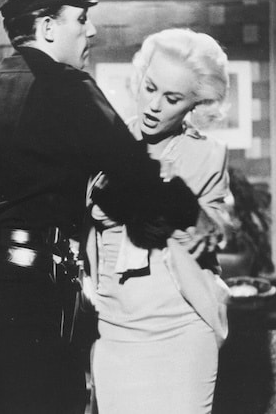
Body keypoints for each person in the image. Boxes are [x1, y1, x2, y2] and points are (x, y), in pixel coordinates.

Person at [0, 0, 220, 413]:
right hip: (29, 291)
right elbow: (133, 169)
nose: (92, 31)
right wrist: (194, 215)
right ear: (47, 27)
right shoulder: (65, 84)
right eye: (81, 19)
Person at [87, 28, 233, 414]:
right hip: (114, 330)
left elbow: (216, 232)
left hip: (182, 331)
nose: (153, 106)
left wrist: (200, 221)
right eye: (149, 88)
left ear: (195, 104)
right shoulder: (104, 145)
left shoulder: (207, 155)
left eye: (172, 98)